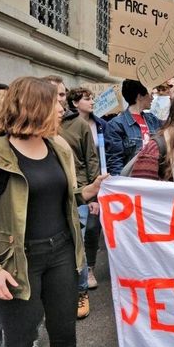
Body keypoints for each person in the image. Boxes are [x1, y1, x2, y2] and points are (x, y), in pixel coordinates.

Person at [0, 76, 107, 347]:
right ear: (33, 106)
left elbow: (60, 196)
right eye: (54, 102)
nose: (62, 108)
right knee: (18, 346)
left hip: (62, 254)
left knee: (64, 337)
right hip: (18, 261)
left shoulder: (57, 146)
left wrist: (88, 190)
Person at [45, 77, 99, 320]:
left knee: (78, 243)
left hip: (76, 195)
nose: (61, 100)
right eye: (56, 94)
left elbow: (91, 159)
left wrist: (92, 193)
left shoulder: (78, 125)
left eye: (63, 94)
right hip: (47, 202)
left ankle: (80, 291)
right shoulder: (37, 131)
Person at [66, 87, 107, 291]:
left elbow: (93, 160)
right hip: (77, 187)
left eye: (93, 99)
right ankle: (79, 283)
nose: (92, 102)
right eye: (87, 99)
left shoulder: (101, 125)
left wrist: (95, 193)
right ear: (74, 103)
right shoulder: (63, 126)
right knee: (79, 235)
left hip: (93, 184)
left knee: (91, 230)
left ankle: (87, 271)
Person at [104, 80, 161, 176]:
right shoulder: (116, 125)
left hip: (154, 177)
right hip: (131, 180)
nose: (152, 98)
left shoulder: (153, 120)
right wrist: (121, 185)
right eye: (149, 94)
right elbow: (115, 161)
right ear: (140, 96)